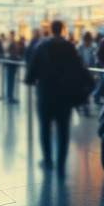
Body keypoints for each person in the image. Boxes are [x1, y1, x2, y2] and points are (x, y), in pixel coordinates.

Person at [24, 20, 82, 177]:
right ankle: (61, 165)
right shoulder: (69, 47)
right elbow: (78, 69)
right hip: (64, 95)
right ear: (62, 29)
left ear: (50, 29)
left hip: (45, 94)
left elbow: (30, 75)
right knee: (63, 130)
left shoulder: (41, 47)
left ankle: (48, 159)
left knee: (45, 127)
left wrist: (35, 79)